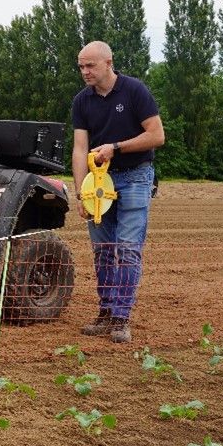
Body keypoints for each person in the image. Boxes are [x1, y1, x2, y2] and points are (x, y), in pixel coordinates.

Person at [70, 40, 165, 344]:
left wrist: (116, 148)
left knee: (126, 248)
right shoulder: (82, 102)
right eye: (81, 66)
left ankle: (122, 317)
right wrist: (81, 193)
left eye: (91, 65)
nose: (85, 71)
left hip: (136, 177)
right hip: (99, 183)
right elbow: (80, 148)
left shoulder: (135, 91)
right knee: (103, 250)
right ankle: (106, 312)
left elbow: (157, 135)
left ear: (108, 63)